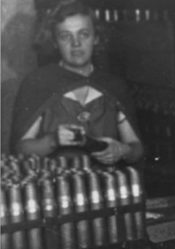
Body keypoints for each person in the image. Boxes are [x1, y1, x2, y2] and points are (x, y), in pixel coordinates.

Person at [10, 0, 143, 165]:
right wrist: (53, 140)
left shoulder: (114, 85)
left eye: (84, 34)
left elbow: (137, 149)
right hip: (55, 187)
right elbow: (20, 150)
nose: (76, 43)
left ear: (96, 38)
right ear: (55, 42)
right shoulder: (38, 82)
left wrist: (122, 150)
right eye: (65, 36)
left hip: (107, 185)